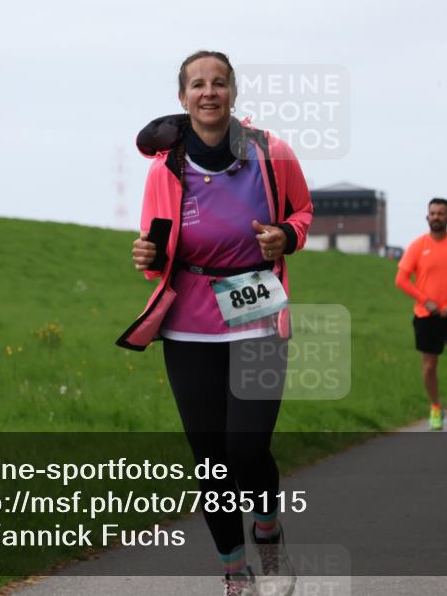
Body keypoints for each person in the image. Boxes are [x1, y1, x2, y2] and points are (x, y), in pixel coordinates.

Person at [119, 50, 312, 596]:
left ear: (233, 93)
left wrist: (286, 237)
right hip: (189, 326)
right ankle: (234, 571)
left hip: (255, 310)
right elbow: (156, 245)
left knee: (247, 449)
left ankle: (268, 532)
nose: (209, 92)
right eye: (198, 85)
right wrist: (146, 257)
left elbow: (301, 213)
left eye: (219, 83)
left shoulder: (272, 153)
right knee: (211, 460)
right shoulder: (165, 169)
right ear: (183, 99)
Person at [396, 198, 447, 431]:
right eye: (432, 213)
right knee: (429, 365)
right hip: (426, 314)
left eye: (441, 213)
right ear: (427, 217)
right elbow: (401, 279)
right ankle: (435, 406)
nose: (436, 217)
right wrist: (425, 300)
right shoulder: (417, 246)